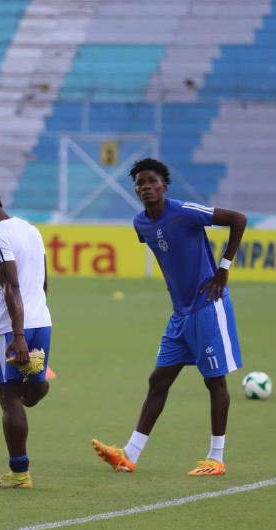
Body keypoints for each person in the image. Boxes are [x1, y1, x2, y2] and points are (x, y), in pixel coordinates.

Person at [91, 158, 247, 476]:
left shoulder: (186, 211)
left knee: (215, 381)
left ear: (164, 185)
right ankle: (129, 454)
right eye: (140, 183)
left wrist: (223, 269)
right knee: (158, 380)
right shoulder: (141, 224)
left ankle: (216, 458)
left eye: (152, 181)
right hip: (180, 314)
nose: (146, 187)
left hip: (207, 306)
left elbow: (238, 219)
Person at [0, 187, 51, 489]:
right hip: (41, 321)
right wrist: (33, 324)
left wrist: (19, 335)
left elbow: (11, 286)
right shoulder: (31, 230)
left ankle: (19, 473)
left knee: (8, 399)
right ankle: (38, 382)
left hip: (9, 329)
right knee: (25, 396)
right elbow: (44, 280)